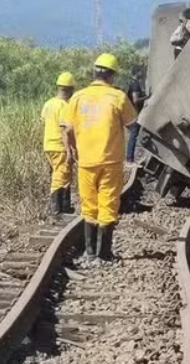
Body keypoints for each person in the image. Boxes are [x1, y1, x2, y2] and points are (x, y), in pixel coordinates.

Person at [60, 53, 137, 265]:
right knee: (108, 203)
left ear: (94, 73)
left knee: (89, 205)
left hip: (86, 161)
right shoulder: (118, 97)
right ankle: (104, 254)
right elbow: (132, 124)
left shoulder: (77, 98)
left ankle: (90, 252)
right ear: (111, 76)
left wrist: (72, 149)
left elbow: (67, 129)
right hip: (111, 161)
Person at [41, 72, 76, 218]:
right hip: (59, 147)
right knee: (60, 177)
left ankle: (64, 207)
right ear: (69, 89)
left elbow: (43, 122)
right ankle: (57, 211)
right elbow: (63, 129)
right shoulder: (64, 106)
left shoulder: (48, 103)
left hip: (48, 146)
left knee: (63, 175)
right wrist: (69, 150)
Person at [124, 65, 146, 163]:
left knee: (134, 136)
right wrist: (147, 97)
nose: (142, 73)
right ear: (137, 73)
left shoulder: (132, 83)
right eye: (141, 71)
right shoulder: (135, 84)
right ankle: (130, 159)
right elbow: (135, 100)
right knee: (133, 136)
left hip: (132, 114)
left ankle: (130, 158)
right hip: (135, 115)